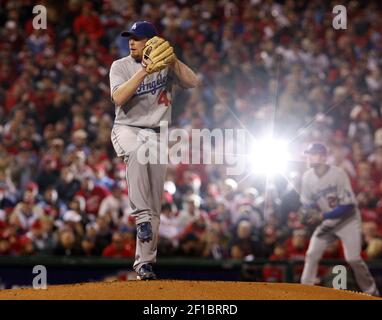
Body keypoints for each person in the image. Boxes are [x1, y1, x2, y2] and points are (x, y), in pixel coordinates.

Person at [109, 21, 199, 280]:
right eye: (130, 38)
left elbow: (193, 82)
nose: (131, 42)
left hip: (158, 135)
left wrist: (172, 61)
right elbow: (118, 98)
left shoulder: (166, 66)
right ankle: (141, 218)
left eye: (137, 38)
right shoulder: (121, 66)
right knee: (136, 153)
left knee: (154, 202)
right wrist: (144, 71)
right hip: (128, 128)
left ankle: (144, 264)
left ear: (152, 42)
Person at [300, 143, 379, 296]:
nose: (309, 157)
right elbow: (308, 203)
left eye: (313, 154)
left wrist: (322, 216)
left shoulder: (338, 174)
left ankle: (372, 292)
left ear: (323, 157)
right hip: (329, 222)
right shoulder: (307, 177)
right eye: (308, 154)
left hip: (348, 220)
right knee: (312, 253)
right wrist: (307, 213)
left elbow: (348, 205)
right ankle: (305, 291)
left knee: (353, 259)